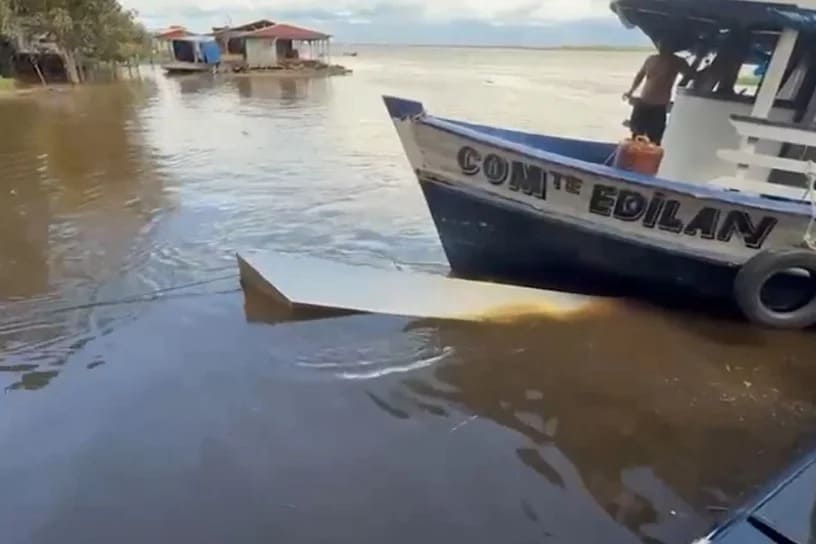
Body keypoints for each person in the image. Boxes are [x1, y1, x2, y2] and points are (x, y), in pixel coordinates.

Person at [623, 42, 693, 145]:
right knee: (636, 136)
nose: (662, 46)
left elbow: (691, 74)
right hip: (643, 102)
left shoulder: (677, 61)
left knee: (655, 139)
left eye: (666, 43)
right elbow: (640, 76)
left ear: (673, 47)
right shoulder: (651, 59)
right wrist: (630, 91)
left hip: (659, 106)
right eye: (661, 43)